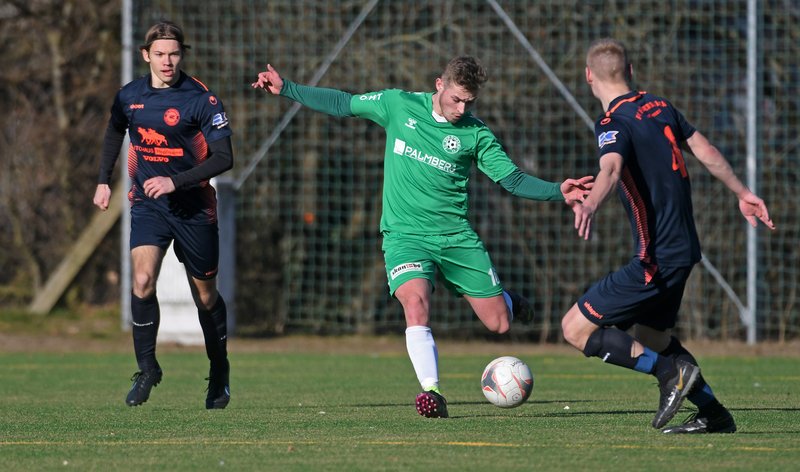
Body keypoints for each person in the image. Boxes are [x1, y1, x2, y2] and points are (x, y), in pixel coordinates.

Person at [253, 56, 593, 418]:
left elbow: (512, 180)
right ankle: (432, 392)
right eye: (456, 99)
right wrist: (287, 88)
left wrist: (558, 190)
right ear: (439, 84)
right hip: (405, 237)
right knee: (415, 304)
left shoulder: (476, 135)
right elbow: (343, 103)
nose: (461, 109)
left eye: (469, 103)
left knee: (499, 324)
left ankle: (509, 300)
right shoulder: (398, 105)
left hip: (455, 238)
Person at [562, 38, 775, 433]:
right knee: (653, 337)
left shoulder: (612, 122)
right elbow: (705, 149)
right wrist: (743, 193)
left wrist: (589, 204)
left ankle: (668, 375)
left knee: (575, 328)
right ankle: (714, 414)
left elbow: (610, 169)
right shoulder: (659, 106)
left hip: (654, 258)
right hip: (684, 250)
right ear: (630, 71)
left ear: (589, 76)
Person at [93, 21, 234, 409]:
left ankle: (219, 369)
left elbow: (224, 157)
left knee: (205, 296)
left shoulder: (201, 100)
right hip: (149, 204)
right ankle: (147, 368)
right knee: (142, 280)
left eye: (174, 54)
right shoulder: (130, 96)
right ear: (146, 55)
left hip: (194, 208)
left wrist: (176, 181)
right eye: (159, 54)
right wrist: (103, 181)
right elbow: (114, 132)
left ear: (182, 54)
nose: (167, 61)